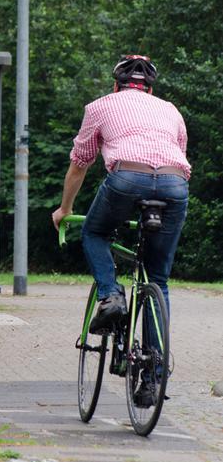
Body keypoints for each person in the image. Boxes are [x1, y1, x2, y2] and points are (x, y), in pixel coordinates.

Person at [51, 55, 189, 401]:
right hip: (174, 186)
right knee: (157, 279)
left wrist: (64, 209)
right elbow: (178, 153)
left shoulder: (100, 105)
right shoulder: (170, 110)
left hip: (126, 178)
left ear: (116, 85)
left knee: (94, 233)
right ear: (150, 89)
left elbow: (79, 165)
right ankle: (153, 377)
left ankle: (111, 295)